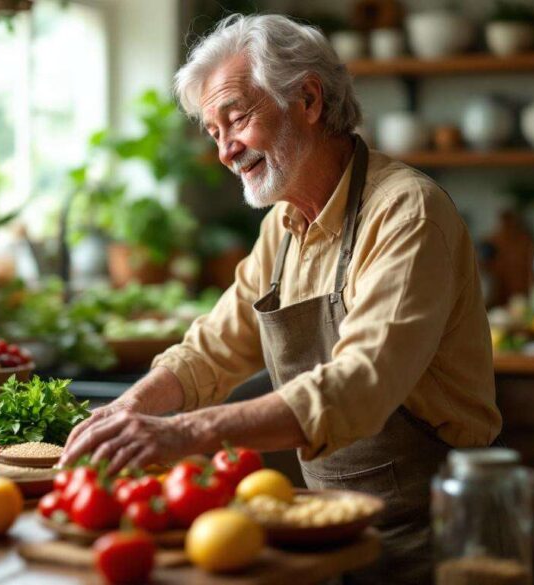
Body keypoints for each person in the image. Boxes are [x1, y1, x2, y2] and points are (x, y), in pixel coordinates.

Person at [62, 14, 502, 584]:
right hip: (328, 531)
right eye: (213, 132)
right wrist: (132, 406)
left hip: (433, 532)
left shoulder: (406, 212)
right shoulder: (285, 224)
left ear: (309, 100)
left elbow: (361, 382)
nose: (226, 151)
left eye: (236, 119)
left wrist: (185, 432)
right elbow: (214, 347)